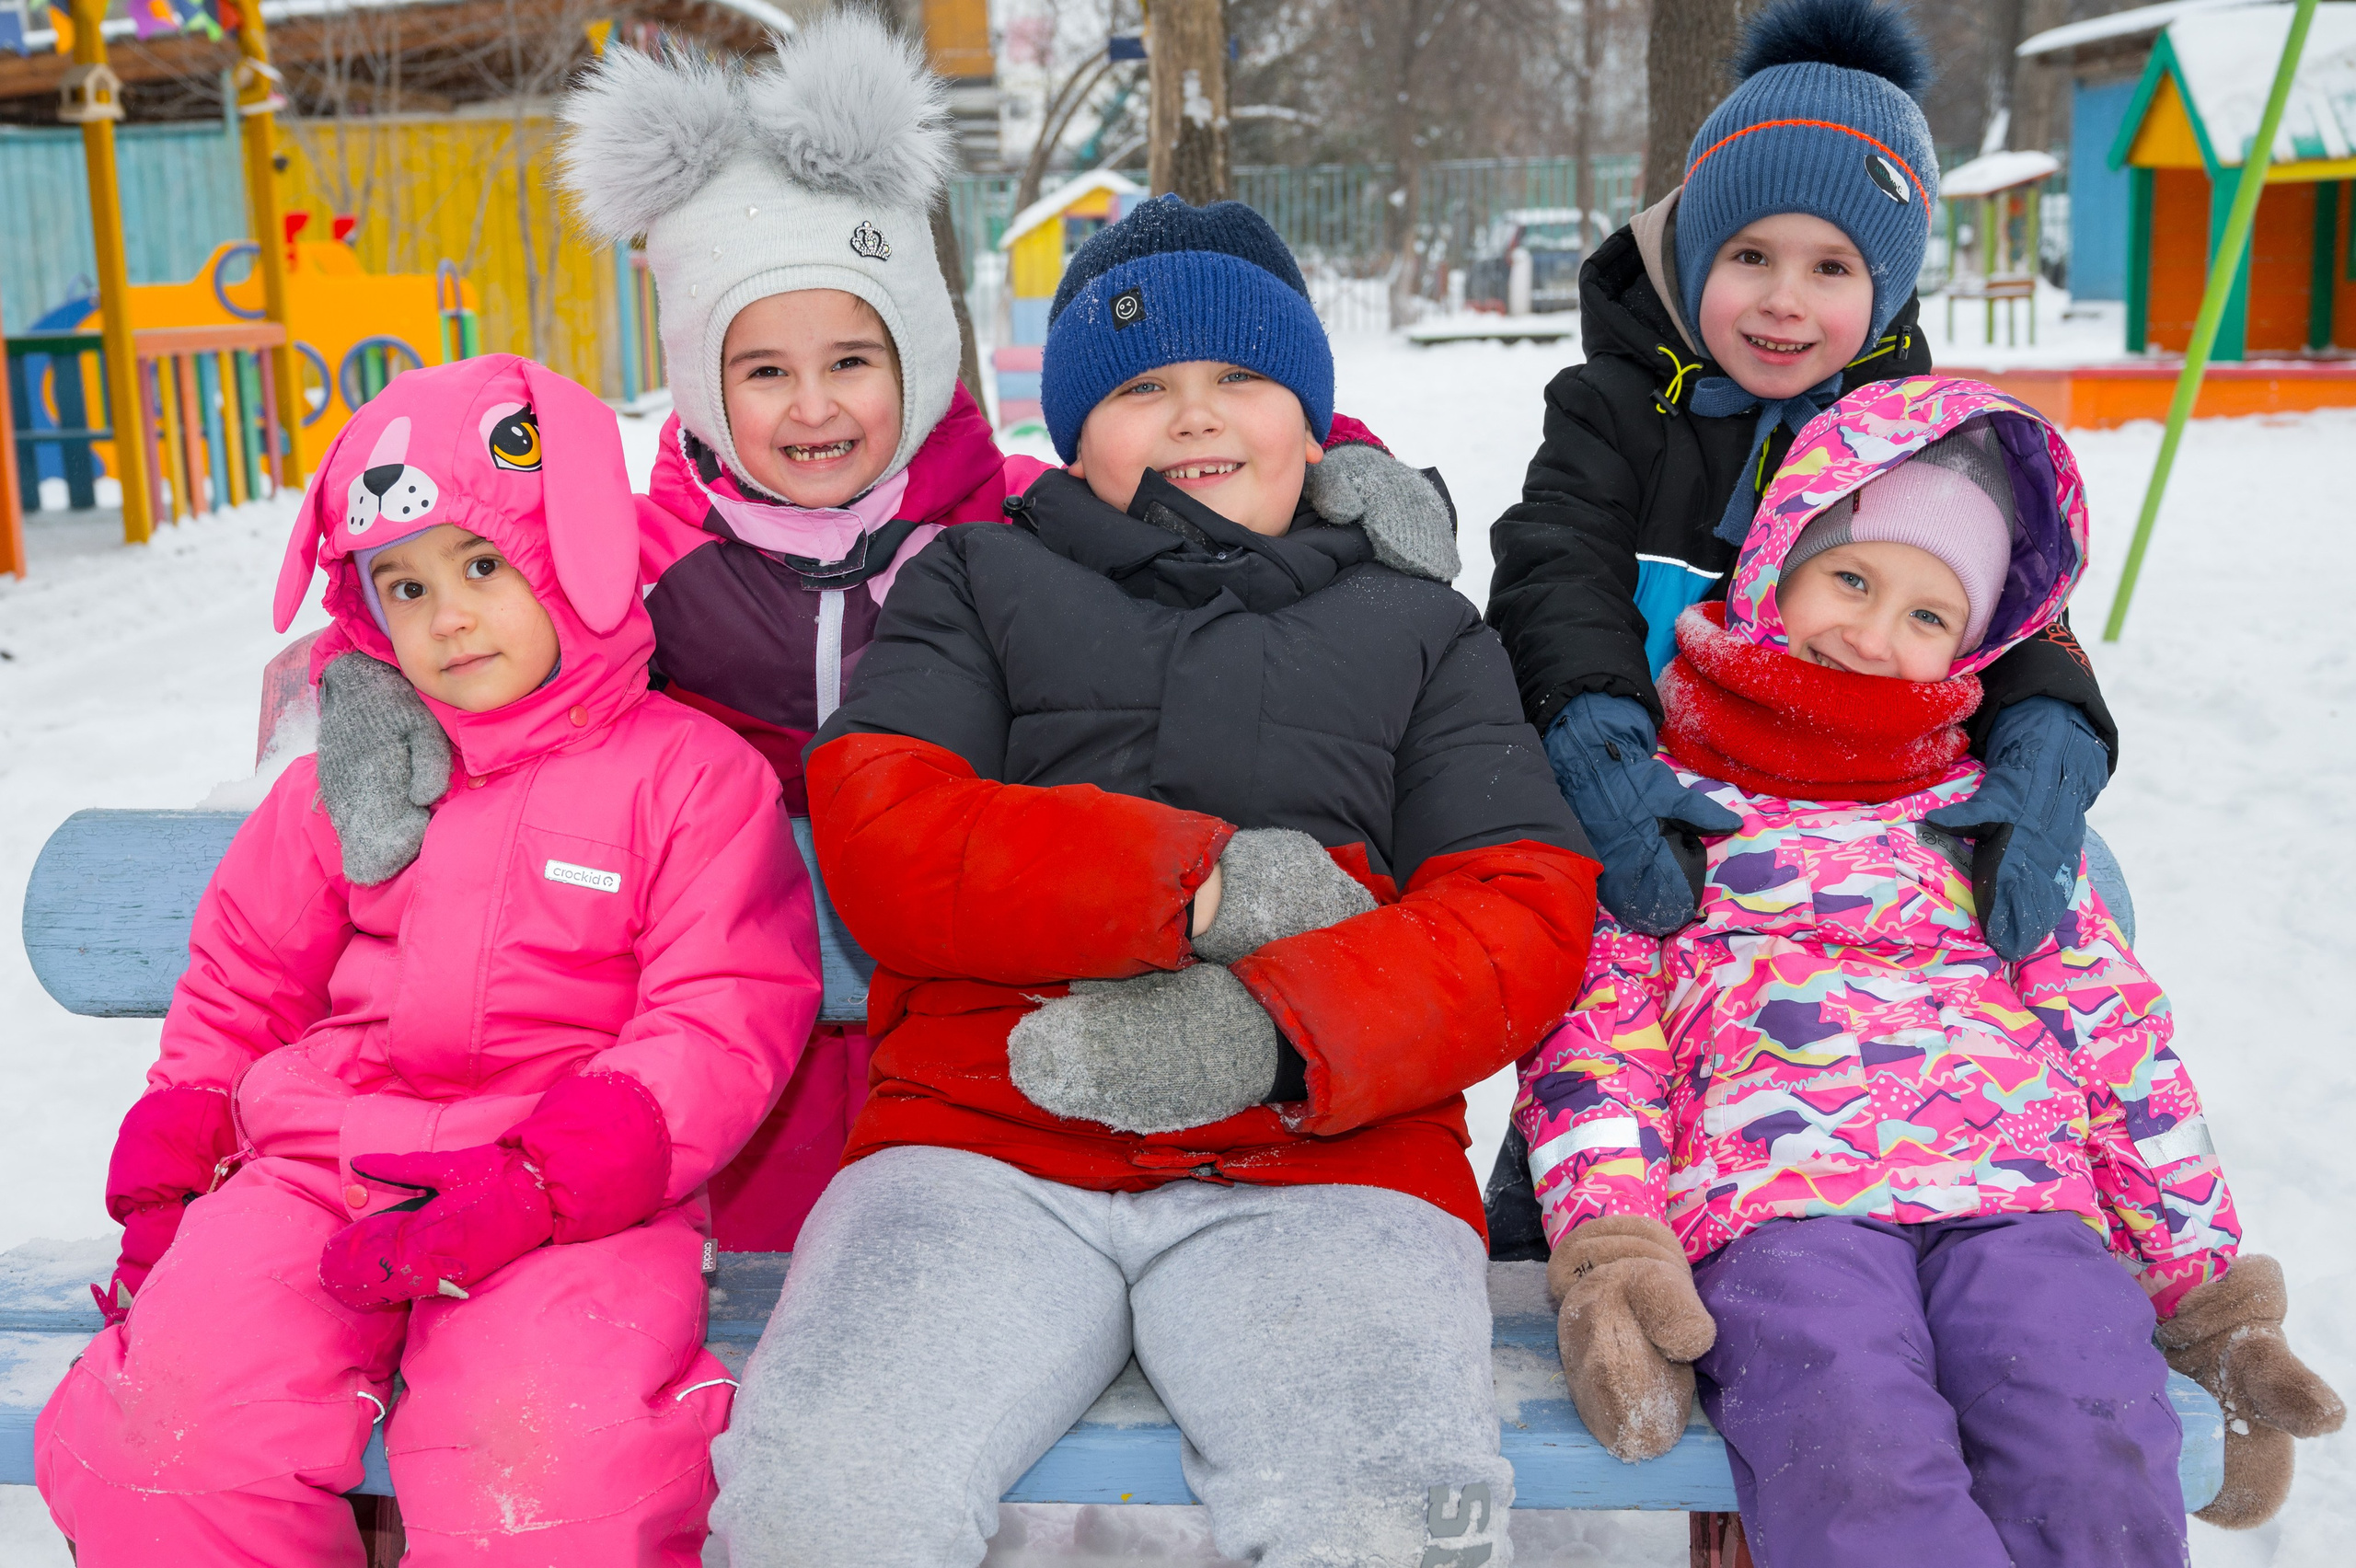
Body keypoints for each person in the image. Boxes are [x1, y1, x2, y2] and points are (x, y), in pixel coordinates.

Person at [708, 195, 1600, 1568]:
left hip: (1328, 1165)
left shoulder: (1420, 631)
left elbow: (1520, 910)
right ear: (1072, 438)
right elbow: (883, 820)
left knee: (1379, 1515)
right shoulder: (980, 583)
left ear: (1313, 424)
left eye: (1243, 379)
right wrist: (1197, 892)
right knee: (824, 1495)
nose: (1196, 418)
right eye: (1141, 388)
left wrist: (1274, 1031)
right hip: (983, 1144)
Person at [1513, 376, 2343, 1565]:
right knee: (1849, 1442)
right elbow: (1597, 1056)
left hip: (2020, 1207)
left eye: (1927, 615)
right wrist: (1616, 1243)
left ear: (1977, 645)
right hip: (1778, 1207)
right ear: (1775, 568)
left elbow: (2124, 1051)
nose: (1873, 631)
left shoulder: (1991, 827)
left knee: (2086, 1430)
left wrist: (2204, 1294)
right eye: (1851, 579)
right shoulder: (1673, 814)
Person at [35, 356, 821, 1565]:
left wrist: (548, 1179)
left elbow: (722, 1013)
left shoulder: (688, 779)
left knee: (552, 1480)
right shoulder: (346, 787)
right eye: (403, 585)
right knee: (164, 1446)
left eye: (485, 567)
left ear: (575, 552)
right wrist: (169, 1184)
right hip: (314, 1175)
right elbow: (241, 983)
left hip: (562, 1198)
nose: (446, 617)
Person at [307, 11, 1047, 1251]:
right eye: (761, 372)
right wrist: (373, 687)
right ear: (707, 382)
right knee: (763, 1302)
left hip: (963, 1033)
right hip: (738, 1043)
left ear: (917, 354)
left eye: (853, 359)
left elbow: (1193, 509)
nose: (813, 407)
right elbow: (458, 589)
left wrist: (1340, 472)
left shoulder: (1012, 531)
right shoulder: (631, 560)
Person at [1485, 0, 2113, 964]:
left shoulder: (1923, 432)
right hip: (1664, 788)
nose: (1784, 299)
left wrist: (2048, 723)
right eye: (1749, 257)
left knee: (2086, 892)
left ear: (1887, 289)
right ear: (1696, 255)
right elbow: (1555, 558)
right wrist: (1591, 727)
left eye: (1831, 267)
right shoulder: (1613, 408)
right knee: (1566, 947)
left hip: (1870, 783)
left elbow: (2013, 602)